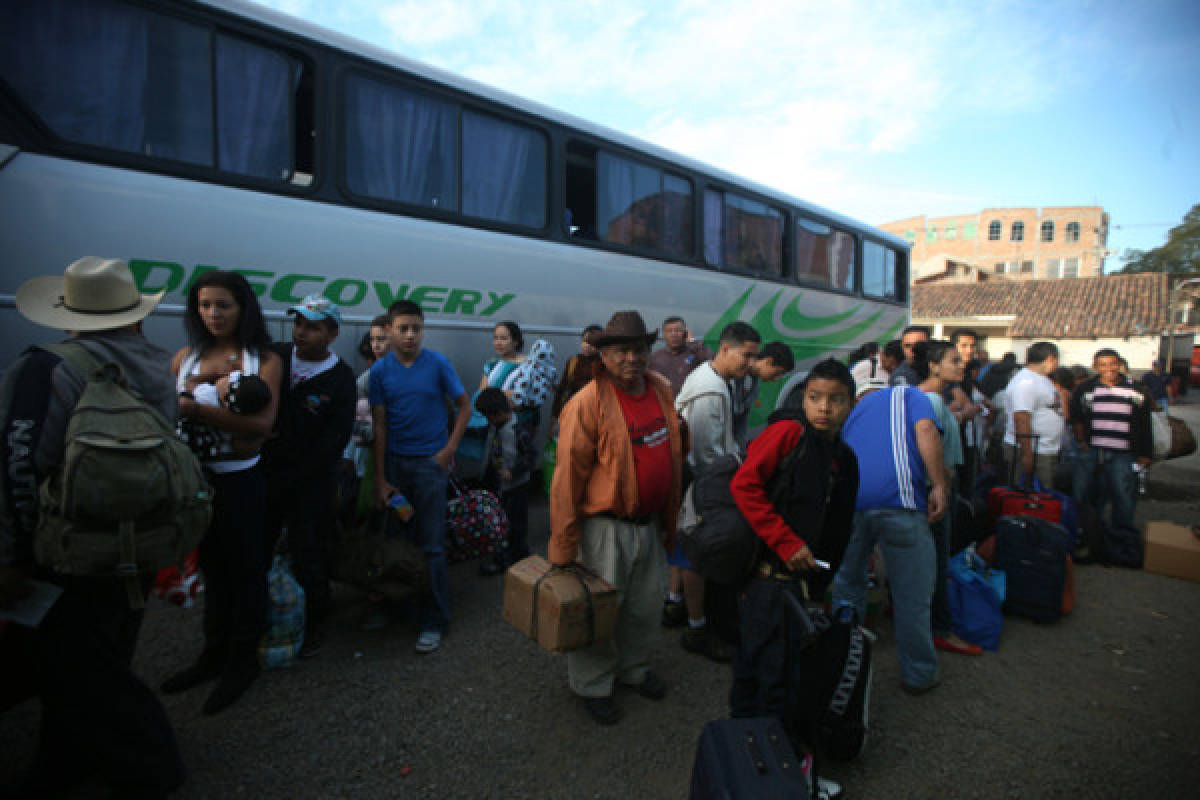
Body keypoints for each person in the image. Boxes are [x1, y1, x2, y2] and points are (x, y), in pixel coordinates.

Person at [0, 257, 185, 797]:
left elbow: (16, 465)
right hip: (140, 541)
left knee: (80, 668)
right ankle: (63, 763)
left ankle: (153, 768)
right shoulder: (154, 365)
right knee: (100, 650)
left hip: (67, 547)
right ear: (136, 317)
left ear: (69, 316)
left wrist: (10, 556)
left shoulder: (47, 369)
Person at [549, 311, 683, 725]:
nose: (632, 357)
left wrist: (669, 521)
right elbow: (567, 480)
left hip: (649, 523)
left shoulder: (660, 388)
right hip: (606, 528)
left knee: (643, 607)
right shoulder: (586, 403)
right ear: (603, 355)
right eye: (621, 350)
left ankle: (633, 670)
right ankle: (593, 683)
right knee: (600, 611)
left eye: (639, 349)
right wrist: (563, 547)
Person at [162, 270, 282, 715]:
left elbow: (261, 426)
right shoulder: (184, 359)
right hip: (196, 484)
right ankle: (212, 654)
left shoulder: (263, 360)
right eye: (204, 305)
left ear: (243, 308)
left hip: (240, 484)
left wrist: (194, 410)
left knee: (246, 571)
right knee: (212, 569)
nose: (213, 314)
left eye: (223, 305)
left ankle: (241, 662)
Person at [728, 358, 860, 722]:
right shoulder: (789, 434)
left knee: (785, 673)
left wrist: (823, 585)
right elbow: (744, 485)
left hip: (804, 585)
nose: (823, 407)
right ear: (803, 399)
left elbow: (839, 526)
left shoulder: (843, 458)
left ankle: (770, 752)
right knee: (762, 674)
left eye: (836, 400)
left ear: (851, 404)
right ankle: (758, 756)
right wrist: (785, 542)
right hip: (767, 578)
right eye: (815, 397)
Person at [833, 381, 947, 695]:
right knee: (912, 593)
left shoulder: (852, 416)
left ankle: (841, 662)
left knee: (848, 585)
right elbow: (926, 430)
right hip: (900, 505)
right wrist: (939, 484)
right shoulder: (909, 395)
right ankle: (918, 674)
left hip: (853, 507)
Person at [370, 300, 471, 654]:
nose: (410, 335)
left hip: (429, 468)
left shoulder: (438, 364)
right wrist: (381, 480)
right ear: (391, 331)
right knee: (397, 540)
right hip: (397, 468)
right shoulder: (381, 373)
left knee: (431, 545)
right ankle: (395, 608)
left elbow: (464, 406)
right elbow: (379, 426)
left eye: (416, 328)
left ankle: (434, 620)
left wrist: (447, 451)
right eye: (403, 329)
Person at [262, 295, 356, 658]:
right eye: (298, 324)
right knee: (259, 547)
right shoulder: (277, 356)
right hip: (266, 476)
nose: (302, 332)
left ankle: (316, 618)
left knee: (308, 551)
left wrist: (297, 476)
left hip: (310, 484)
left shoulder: (340, 378)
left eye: (313, 327)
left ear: (332, 333)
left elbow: (335, 439)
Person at [666, 322, 761, 663]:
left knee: (684, 550)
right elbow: (708, 456)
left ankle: (676, 607)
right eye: (745, 356)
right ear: (724, 349)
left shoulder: (717, 378)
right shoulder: (711, 390)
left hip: (695, 481)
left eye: (754, 357)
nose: (749, 365)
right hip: (699, 485)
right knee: (696, 555)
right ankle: (697, 627)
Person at [914, 340, 982, 657]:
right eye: (954, 360)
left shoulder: (924, 398)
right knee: (937, 561)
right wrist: (942, 487)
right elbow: (936, 455)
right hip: (936, 491)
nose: (961, 364)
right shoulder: (930, 401)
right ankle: (940, 627)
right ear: (933, 365)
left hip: (930, 489)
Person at [1070, 348, 1152, 532]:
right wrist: (1082, 442)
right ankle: (1089, 535)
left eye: (1113, 363)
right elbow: (1076, 418)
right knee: (1086, 495)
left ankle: (1120, 538)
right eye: (1103, 364)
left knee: (1122, 496)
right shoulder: (1085, 389)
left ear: (1120, 364)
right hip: (1091, 451)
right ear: (1095, 367)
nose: (1109, 368)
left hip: (1123, 453)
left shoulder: (1136, 389)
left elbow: (1145, 425)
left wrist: (1145, 454)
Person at [475, 387, 535, 572]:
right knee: (503, 521)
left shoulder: (517, 431)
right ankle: (515, 554)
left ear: (500, 412)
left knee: (515, 523)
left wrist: (514, 472)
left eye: (489, 416)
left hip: (517, 486)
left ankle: (510, 558)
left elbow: (531, 456)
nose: (488, 421)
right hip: (501, 485)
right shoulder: (496, 426)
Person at [1003, 342, 1063, 489]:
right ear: (1051, 359)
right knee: (1030, 499)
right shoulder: (1026, 382)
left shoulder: (1041, 379)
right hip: (1034, 450)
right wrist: (1027, 455)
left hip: (1045, 449)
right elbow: (1021, 418)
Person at [176, 371, 272, 459]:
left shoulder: (208, 396)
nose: (225, 378)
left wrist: (213, 374)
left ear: (226, 394)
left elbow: (189, 384)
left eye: (227, 379)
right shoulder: (240, 417)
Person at [729, 341, 795, 451]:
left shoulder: (754, 384)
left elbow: (741, 423)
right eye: (778, 372)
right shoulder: (734, 374)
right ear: (768, 361)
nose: (778, 378)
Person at [647, 315, 713, 396]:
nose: (673, 334)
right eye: (669, 331)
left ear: (685, 333)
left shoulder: (695, 352)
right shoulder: (655, 358)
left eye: (678, 330)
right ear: (664, 334)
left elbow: (712, 362)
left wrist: (692, 342)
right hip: (663, 405)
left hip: (690, 405)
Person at [552, 324, 602, 420]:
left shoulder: (603, 364)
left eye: (592, 343)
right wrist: (554, 418)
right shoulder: (573, 361)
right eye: (585, 341)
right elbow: (562, 389)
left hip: (593, 415)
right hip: (570, 412)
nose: (587, 346)